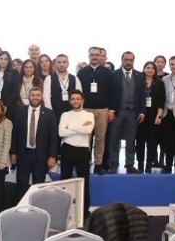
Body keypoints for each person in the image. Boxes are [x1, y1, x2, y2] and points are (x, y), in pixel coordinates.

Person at [10, 87, 58, 198]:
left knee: (39, 185)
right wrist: (13, 152)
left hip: (41, 155)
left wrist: (52, 155)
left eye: (38, 95)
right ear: (28, 97)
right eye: (33, 95)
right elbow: (14, 133)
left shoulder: (49, 114)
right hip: (23, 154)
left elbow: (53, 136)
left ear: (41, 97)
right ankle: (21, 206)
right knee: (21, 184)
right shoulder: (19, 112)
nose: (35, 97)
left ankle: (37, 207)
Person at [76, 46, 116, 175]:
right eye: (92, 55)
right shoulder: (82, 73)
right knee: (85, 138)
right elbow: (78, 93)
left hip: (102, 110)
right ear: (88, 56)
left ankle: (98, 164)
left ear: (100, 56)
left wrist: (111, 110)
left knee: (100, 138)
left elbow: (112, 92)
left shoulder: (107, 73)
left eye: (97, 55)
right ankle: (85, 161)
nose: (94, 57)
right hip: (86, 110)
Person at [58, 91, 95, 211]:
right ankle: (64, 210)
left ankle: (84, 211)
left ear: (82, 100)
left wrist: (70, 127)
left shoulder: (89, 115)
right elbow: (61, 132)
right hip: (67, 149)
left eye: (78, 99)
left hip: (82, 151)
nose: (75, 101)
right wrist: (81, 127)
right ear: (70, 101)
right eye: (73, 99)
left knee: (83, 182)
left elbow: (88, 130)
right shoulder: (65, 115)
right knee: (65, 181)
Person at [110, 52, 142, 174]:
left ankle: (129, 164)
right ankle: (113, 163)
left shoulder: (139, 75)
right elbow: (110, 93)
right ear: (122, 60)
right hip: (118, 112)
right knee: (114, 139)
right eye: (126, 60)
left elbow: (142, 95)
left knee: (131, 140)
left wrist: (142, 112)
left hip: (133, 112)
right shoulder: (114, 74)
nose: (128, 62)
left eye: (130, 60)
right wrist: (111, 110)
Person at [135, 61, 166, 173]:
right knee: (140, 141)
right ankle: (140, 163)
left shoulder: (160, 83)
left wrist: (159, 116)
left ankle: (149, 163)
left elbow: (161, 102)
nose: (150, 70)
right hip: (140, 115)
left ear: (155, 70)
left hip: (153, 115)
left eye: (152, 68)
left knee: (152, 141)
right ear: (144, 69)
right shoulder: (138, 82)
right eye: (148, 68)